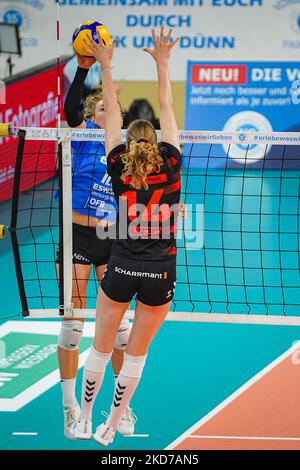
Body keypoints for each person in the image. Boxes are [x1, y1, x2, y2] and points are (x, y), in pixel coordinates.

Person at [71, 27, 181, 446]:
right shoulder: (171, 162)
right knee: (135, 356)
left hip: (120, 266)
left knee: (100, 349)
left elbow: (111, 117)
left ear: (129, 144)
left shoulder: (116, 164)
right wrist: (163, 63)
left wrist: (104, 62)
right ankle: (111, 427)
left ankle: (83, 418)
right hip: (160, 272)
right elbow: (168, 108)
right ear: (155, 141)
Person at [57, 52, 136, 439]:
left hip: (110, 237)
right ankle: (71, 407)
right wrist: (84, 66)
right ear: (93, 113)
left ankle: (122, 406)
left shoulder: (121, 147)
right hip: (75, 234)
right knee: (73, 323)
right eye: (102, 105)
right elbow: (71, 106)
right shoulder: (81, 132)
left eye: (113, 107)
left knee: (120, 329)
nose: (108, 110)